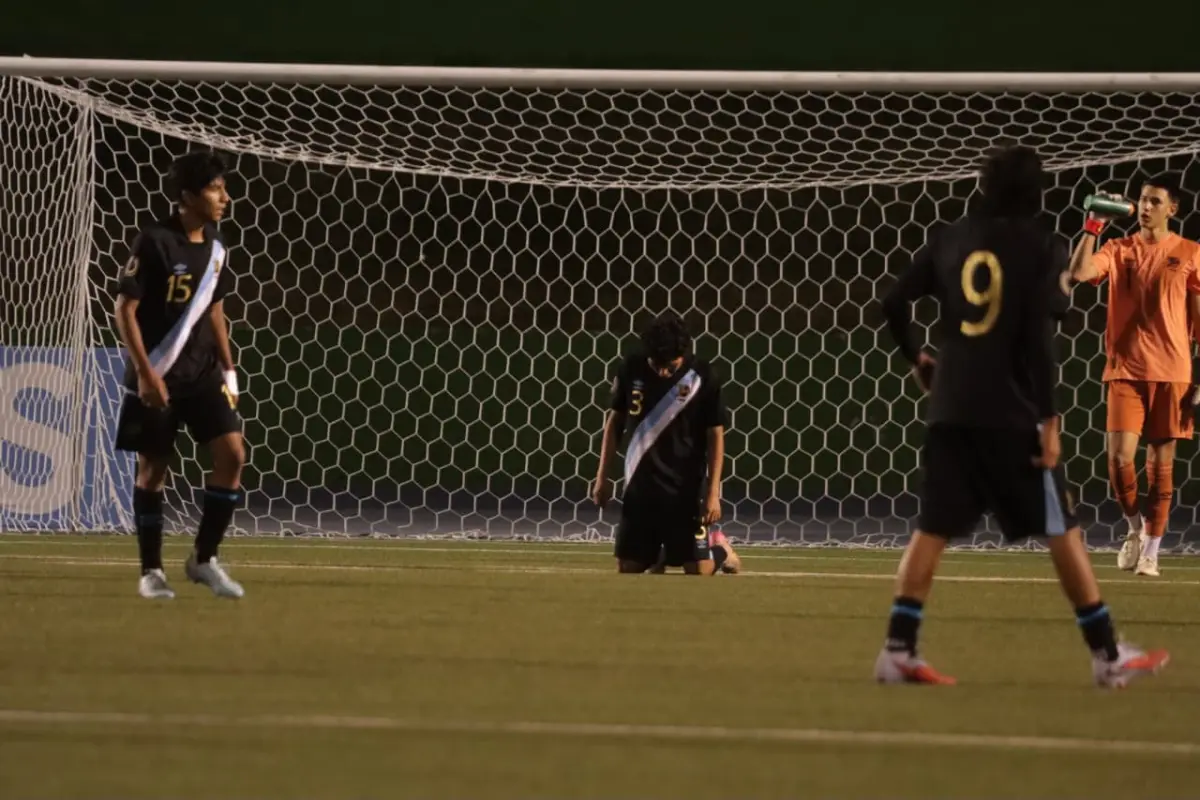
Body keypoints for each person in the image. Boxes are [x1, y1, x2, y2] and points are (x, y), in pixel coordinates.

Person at [876, 144, 1168, 687]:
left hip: (951, 409)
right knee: (1063, 531)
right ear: (1034, 192)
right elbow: (1038, 336)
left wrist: (917, 356)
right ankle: (1107, 654)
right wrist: (1050, 419)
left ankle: (897, 649)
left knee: (931, 529)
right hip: (1011, 414)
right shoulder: (1040, 247)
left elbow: (892, 302)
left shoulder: (951, 236)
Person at [113, 151, 246, 600]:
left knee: (233, 456)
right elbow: (124, 309)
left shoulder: (217, 248)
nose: (224, 197)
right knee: (152, 472)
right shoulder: (153, 241)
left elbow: (214, 311)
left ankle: (204, 559)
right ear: (188, 196)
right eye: (215, 188)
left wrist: (228, 367)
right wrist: (147, 376)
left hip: (202, 372)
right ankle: (151, 571)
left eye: (224, 188)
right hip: (159, 373)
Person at [1067, 176, 1200, 577]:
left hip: (1173, 372)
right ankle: (1133, 529)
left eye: (1155, 201)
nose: (1145, 207)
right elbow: (1078, 272)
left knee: (1160, 468)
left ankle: (1152, 552)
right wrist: (1092, 228)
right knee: (1118, 460)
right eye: (1142, 200)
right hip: (1125, 371)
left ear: (1171, 209)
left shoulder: (1191, 253)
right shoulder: (1119, 248)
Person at [592, 312, 740, 575]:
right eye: (656, 363)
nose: (662, 371)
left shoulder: (702, 376)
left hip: (685, 489)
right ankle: (658, 553)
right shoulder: (631, 368)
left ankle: (720, 548)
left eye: (669, 366)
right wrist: (601, 477)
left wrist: (713, 493)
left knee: (698, 570)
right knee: (628, 568)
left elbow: (716, 435)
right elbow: (614, 423)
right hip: (641, 487)